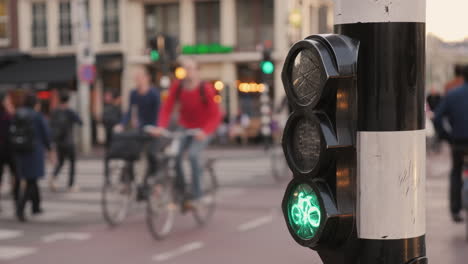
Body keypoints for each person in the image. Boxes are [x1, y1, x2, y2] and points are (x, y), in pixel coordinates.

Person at [150, 59, 222, 202]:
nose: (188, 72)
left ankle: (197, 194)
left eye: (191, 69)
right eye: (185, 69)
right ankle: (181, 190)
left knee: (193, 155)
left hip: (202, 129)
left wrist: (205, 132)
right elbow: (167, 108)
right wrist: (161, 127)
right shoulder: (178, 87)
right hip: (185, 127)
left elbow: (216, 115)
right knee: (174, 156)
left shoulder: (205, 88)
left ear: (197, 71)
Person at [434, 66, 468, 223]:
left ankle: (455, 209)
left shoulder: (452, 94)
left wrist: (446, 136)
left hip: (458, 143)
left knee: (456, 172)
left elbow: (437, 118)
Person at [114, 66, 160, 179]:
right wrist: (122, 124)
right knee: (130, 153)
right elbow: (129, 111)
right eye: (136, 78)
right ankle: (131, 181)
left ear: (147, 78)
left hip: (153, 128)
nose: (138, 80)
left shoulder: (154, 93)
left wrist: (157, 127)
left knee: (152, 155)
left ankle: (152, 179)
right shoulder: (134, 93)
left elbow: (159, 112)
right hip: (141, 129)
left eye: (140, 77)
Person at [13, 92, 51, 222]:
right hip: (34, 151)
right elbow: (46, 134)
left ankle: (36, 206)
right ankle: (20, 209)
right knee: (31, 181)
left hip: (19, 151)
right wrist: (50, 150)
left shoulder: (17, 113)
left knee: (29, 180)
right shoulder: (37, 116)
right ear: (35, 103)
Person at [49, 92, 82, 192]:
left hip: (59, 142)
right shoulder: (70, 111)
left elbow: (51, 125)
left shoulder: (55, 111)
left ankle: (54, 177)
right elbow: (80, 122)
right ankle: (70, 185)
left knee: (61, 162)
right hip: (69, 142)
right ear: (68, 100)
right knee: (72, 163)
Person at [0, 91, 19, 212]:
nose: (9, 102)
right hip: (7, 150)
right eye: (7, 100)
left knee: (14, 175)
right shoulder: (8, 115)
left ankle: (17, 200)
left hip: (8, 150)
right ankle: (17, 201)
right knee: (14, 175)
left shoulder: (9, 114)